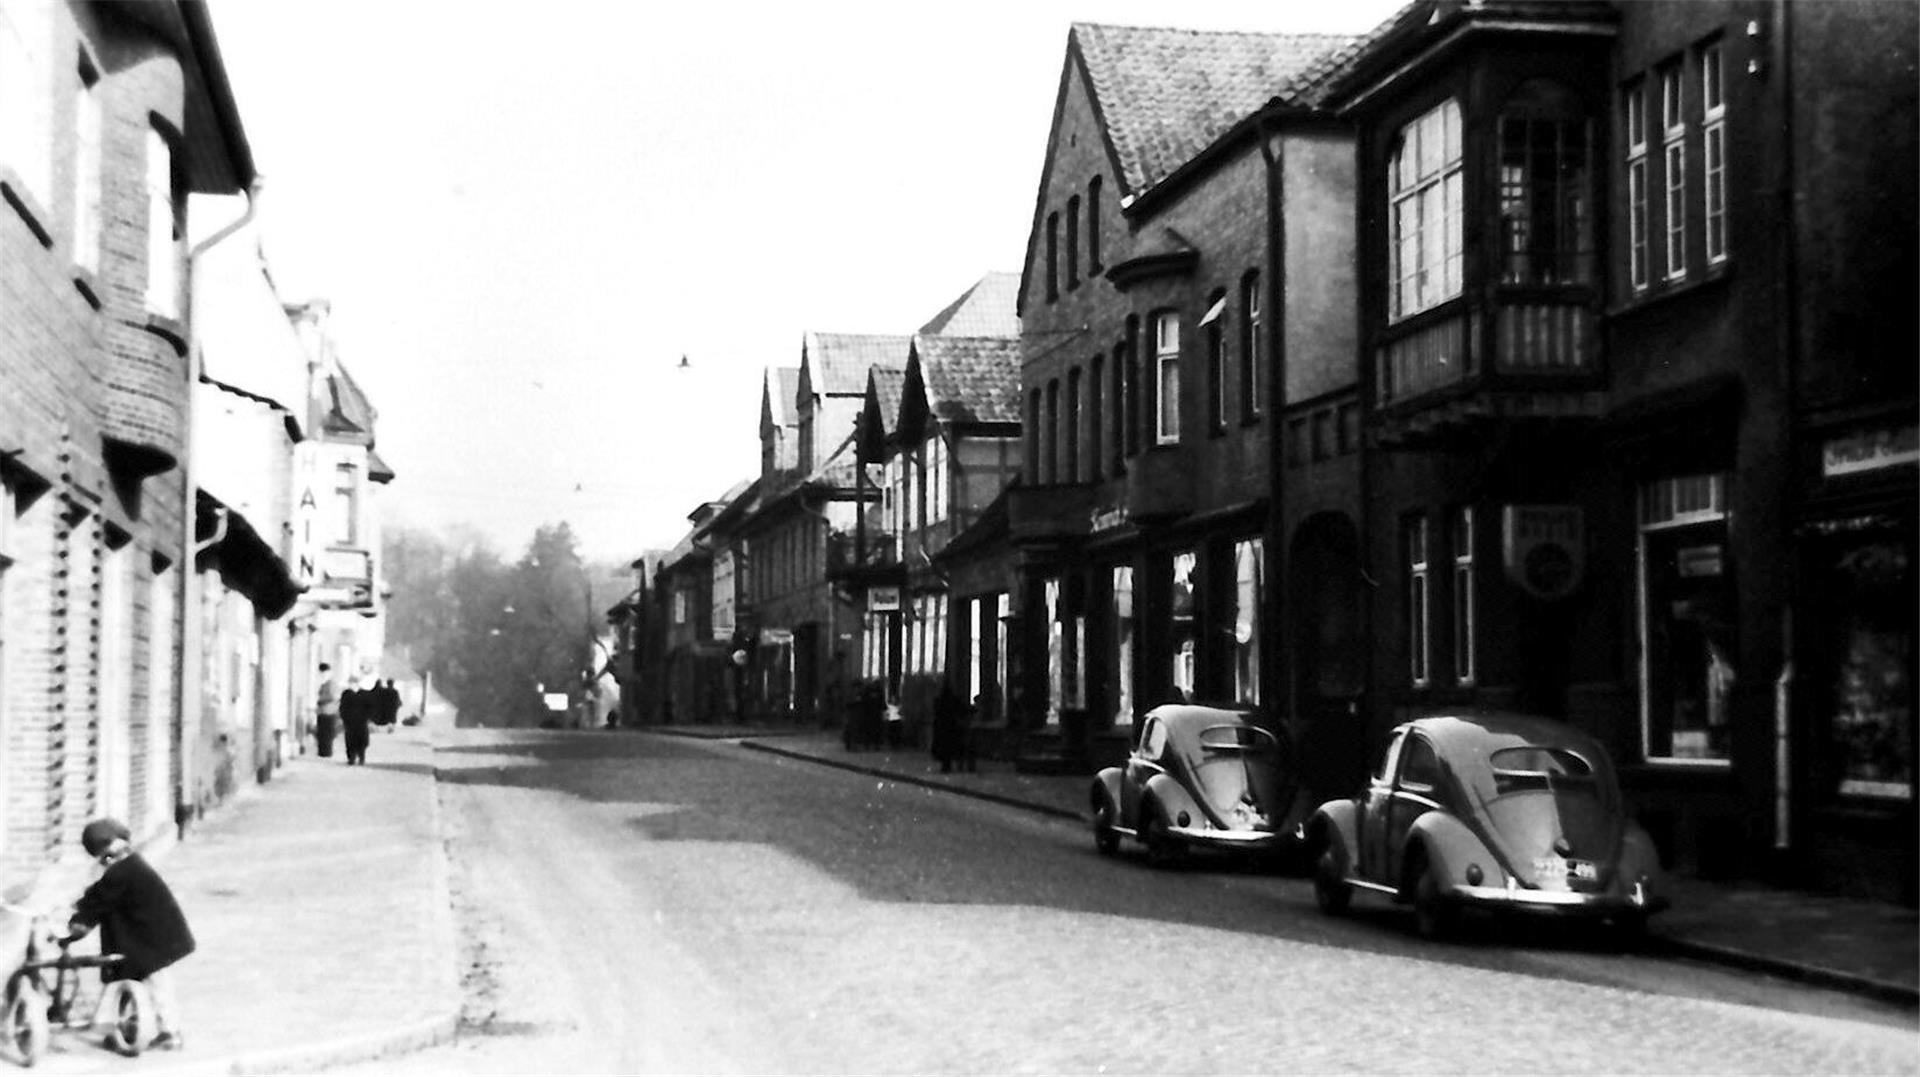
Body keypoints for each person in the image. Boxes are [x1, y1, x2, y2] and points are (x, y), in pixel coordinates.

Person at [68, 818, 193, 1051]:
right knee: (149, 983)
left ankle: (168, 1032)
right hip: (155, 937)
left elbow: (101, 899)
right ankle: (138, 1028)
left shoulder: (121, 873)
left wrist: (79, 922)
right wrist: (83, 904)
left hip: (150, 941)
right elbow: (102, 892)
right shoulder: (132, 865)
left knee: (155, 985)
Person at [931, 682, 964, 773]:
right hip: (950, 727)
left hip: (942, 728)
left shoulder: (939, 701)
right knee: (949, 748)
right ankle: (947, 765)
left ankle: (945, 766)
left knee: (944, 748)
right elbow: (961, 709)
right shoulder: (952, 700)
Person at [340, 682, 371, 765]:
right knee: (361, 742)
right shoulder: (363, 698)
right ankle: (361, 757)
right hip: (361, 724)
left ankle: (352, 758)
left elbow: (342, 711)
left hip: (350, 724)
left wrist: (345, 720)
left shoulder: (346, 698)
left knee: (350, 742)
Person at [313, 664, 340, 758]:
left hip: (329, 711)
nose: (322, 675)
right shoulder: (324, 684)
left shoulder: (331, 683)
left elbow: (333, 696)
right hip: (323, 711)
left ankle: (327, 752)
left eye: (323, 673)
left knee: (327, 733)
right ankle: (323, 752)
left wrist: (321, 700)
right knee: (322, 733)